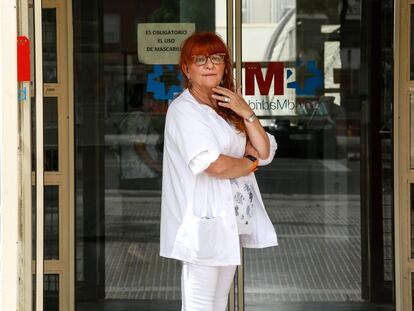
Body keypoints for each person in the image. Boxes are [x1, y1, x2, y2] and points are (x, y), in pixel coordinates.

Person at [160, 32, 278, 311]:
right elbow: (215, 165)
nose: (209, 64)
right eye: (200, 59)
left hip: (230, 222)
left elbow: (265, 150)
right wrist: (248, 161)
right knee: (200, 305)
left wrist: (247, 112)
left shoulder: (229, 106)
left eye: (216, 57)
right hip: (201, 225)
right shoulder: (183, 110)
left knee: (218, 303)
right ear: (186, 69)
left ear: (225, 65)